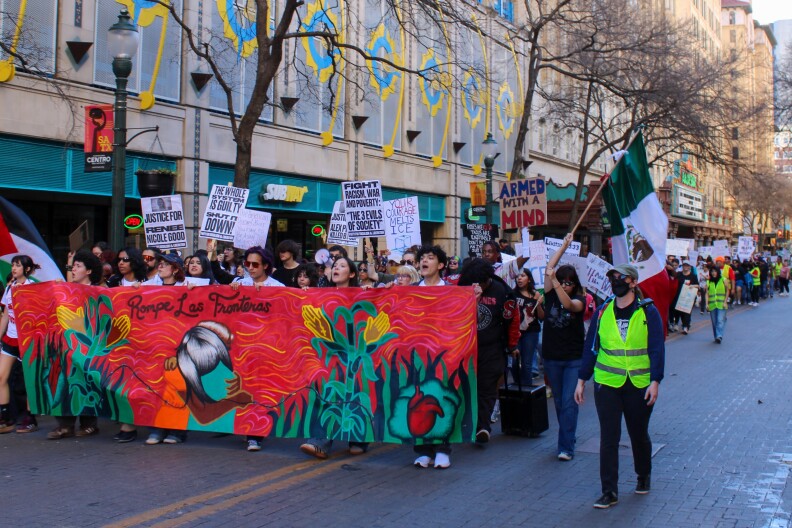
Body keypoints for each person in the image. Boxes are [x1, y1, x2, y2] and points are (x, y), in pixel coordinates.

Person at [575, 263, 665, 509]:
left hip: (639, 383)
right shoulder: (602, 311)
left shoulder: (648, 312)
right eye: (612, 277)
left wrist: (655, 381)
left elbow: (657, 348)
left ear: (633, 282)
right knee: (609, 438)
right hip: (607, 383)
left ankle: (643, 475)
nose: (616, 281)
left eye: (621, 277)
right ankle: (609, 492)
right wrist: (582, 380)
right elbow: (591, 347)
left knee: (638, 434)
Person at [300, 257, 369, 459]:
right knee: (328, 391)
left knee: (355, 391)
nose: (336, 268)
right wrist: (305, 294)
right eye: (335, 265)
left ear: (352, 274)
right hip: (330, 354)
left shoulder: (362, 293)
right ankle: (320, 441)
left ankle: (358, 439)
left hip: (356, 355)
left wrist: (373, 292)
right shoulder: (321, 294)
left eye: (342, 266)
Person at [458, 258, 520, 449]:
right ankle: (467, 423)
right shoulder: (461, 287)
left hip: (492, 348)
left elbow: (513, 320)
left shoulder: (503, 292)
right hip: (465, 347)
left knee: (487, 388)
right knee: (467, 387)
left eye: (480, 283)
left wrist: (512, 345)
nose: (477, 286)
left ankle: (483, 427)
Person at [48, 250, 104, 439]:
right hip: (66, 346)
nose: (73, 269)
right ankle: (65, 425)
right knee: (64, 382)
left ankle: (89, 424)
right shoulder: (65, 290)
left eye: (78, 266)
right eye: (73, 266)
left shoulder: (98, 291)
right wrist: (56, 289)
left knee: (86, 383)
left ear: (89, 271)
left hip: (88, 346)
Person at [542, 233, 585, 462]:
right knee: (559, 402)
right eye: (562, 281)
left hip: (573, 359)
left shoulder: (580, 300)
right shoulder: (549, 295)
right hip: (552, 357)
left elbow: (569, 305)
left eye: (569, 282)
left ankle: (566, 446)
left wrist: (557, 282)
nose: (565, 285)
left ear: (574, 284)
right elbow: (550, 267)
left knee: (569, 402)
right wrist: (564, 246)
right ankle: (568, 435)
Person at [412, 245, 452, 469]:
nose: (424, 261)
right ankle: (424, 450)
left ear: (441, 264)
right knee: (418, 400)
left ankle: (443, 449)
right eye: (422, 258)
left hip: (443, 355)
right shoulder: (411, 290)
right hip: (417, 356)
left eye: (430, 257)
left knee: (440, 399)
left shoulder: (451, 291)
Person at [0, 255, 41, 434]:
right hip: (10, 338)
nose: (14, 268)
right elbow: (5, 315)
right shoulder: (10, 287)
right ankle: (5, 417)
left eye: (17, 265)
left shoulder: (33, 288)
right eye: (13, 265)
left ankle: (30, 417)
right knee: (1, 376)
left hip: (27, 340)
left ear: (27, 269)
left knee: (28, 380)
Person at [512, 268, 543, 384]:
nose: (519, 278)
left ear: (529, 279)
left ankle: (526, 388)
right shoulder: (512, 294)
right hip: (515, 332)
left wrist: (538, 304)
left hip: (531, 332)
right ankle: (517, 385)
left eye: (523, 276)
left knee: (527, 363)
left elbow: (542, 317)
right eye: (518, 276)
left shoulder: (536, 294)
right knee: (514, 362)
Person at [670, 261, 698, 334]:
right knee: (677, 310)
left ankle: (685, 326)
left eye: (687, 265)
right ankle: (676, 323)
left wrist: (692, 286)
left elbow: (697, 285)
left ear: (689, 267)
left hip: (688, 297)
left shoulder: (693, 276)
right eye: (684, 265)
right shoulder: (678, 274)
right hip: (678, 296)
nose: (686, 267)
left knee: (686, 312)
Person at [706, 265, 728, 344]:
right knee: (714, 322)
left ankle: (719, 336)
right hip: (712, 304)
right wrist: (706, 304)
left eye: (715, 271)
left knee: (719, 320)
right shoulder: (709, 281)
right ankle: (716, 336)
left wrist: (725, 301)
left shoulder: (723, 279)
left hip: (721, 304)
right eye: (712, 271)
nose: (713, 273)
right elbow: (707, 293)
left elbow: (727, 291)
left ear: (718, 272)